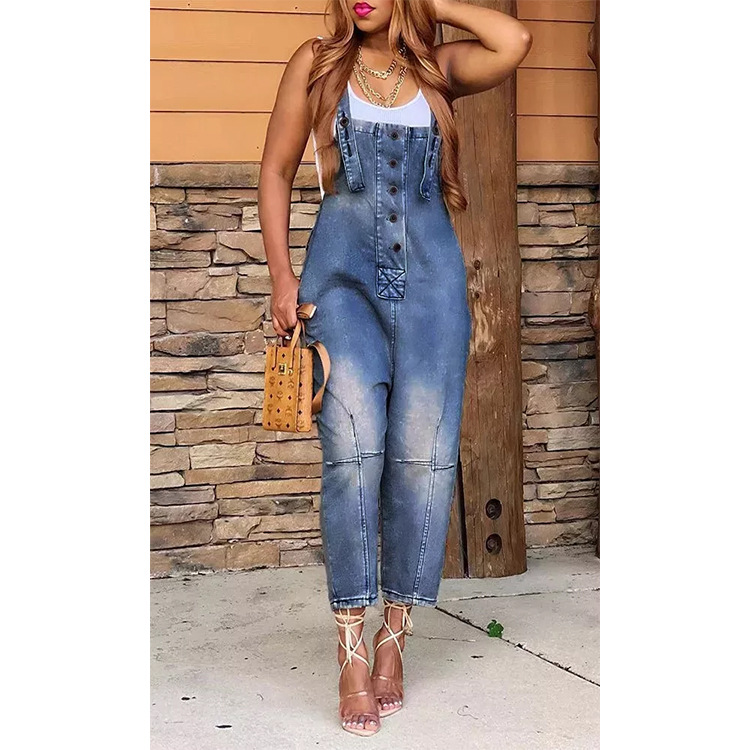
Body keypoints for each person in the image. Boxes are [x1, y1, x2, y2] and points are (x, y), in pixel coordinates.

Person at [259, 0, 531, 737]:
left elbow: (514, 39)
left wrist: (429, 5)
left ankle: (394, 639)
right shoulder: (317, 64)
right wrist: (282, 277)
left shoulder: (438, 70)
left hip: (433, 293)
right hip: (339, 288)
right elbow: (276, 170)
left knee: (425, 462)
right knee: (352, 454)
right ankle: (350, 646)